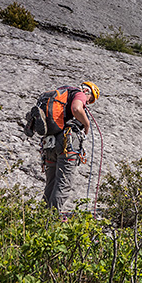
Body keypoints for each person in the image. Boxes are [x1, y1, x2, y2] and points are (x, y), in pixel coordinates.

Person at [39, 81, 100, 211]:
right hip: (67, 142)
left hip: (49, 143)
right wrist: (87, 124)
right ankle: (50, 220)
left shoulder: (60, 94)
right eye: (90, 100)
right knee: (63, 183)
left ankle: (40, 218)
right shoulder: (80, 94)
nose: (88, 103)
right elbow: (76, 109)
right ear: (87, 92)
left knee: (51, 182)